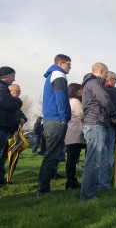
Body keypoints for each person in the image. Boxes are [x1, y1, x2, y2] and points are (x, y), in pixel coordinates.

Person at [80, 62, 116, 201]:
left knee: (94, 160)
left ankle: (89, 192)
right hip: (95, 123)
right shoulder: (94, 83)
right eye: (106, 72)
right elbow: (105, 99)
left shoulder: (89, 83)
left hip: (94, 122)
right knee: (94, 161)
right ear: (101, 71)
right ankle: (87, 195)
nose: (107, 76)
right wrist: (115, 114)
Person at [37, 55, 72, 198]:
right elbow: (61, 98)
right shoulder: (58, 74)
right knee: (51, 156)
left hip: (51, 119)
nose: (70, 67)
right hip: (56, 120)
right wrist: (64, 118)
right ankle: (43, 191)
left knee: (51, 156)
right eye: (68, 64)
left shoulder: (52, 74)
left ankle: (43, 188)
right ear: (60, 63)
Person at [0, 67, 23, 185]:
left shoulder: (4, 89)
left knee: (3, 154)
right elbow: (11, 105)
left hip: (6, 127)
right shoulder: (2, 89)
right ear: (6, 76)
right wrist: (17, 102)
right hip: (2, 127)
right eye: (13, 76)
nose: (14, 79)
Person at [65, 83, 86, 189]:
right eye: (80, 90)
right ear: (75, 91)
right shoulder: (75, 101)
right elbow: (81, 115)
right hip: (76, 132)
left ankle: (71, 180)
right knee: (72, 158)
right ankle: (71, 181)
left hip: (70, 132)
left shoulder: (68, 101)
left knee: (71, 158)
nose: (82, 92)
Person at [102, 71, 116, 188]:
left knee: (101, 155)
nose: (115, 83)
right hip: (109, 125)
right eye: (115, 80)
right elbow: (111, 106)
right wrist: (115, 116)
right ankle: (104, 184)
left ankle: (99, 182)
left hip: (102, 124)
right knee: (108, 157)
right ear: (110, 80)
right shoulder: (110, 92)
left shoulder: (99, 89)